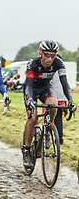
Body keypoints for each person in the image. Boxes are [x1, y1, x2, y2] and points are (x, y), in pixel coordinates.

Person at [22, 40, 77, 168]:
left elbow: (65, 84)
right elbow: (29, 84)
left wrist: (70, 101)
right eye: (47, 55)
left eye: (53, 55)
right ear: (41, 53)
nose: (50, 58)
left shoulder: (58, 62)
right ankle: (27, 149)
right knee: (33, 117)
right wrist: (30, 99)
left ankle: (47, 131)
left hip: (46, 88)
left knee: (54, 105)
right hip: (32, 89)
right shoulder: (33, 63)